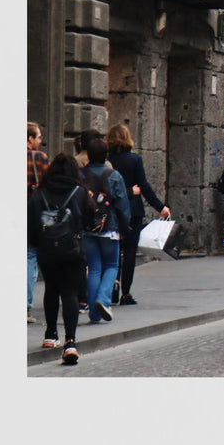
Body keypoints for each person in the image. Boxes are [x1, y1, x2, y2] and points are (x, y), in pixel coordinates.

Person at [28, 153, 90, 365]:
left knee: (51, 290)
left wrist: (38, 243)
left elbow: (31, 223)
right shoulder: (79, 192)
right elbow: (90, 219)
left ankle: (50, 334)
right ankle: (70, 342)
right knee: (70, 293)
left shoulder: (39, 193)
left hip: (47, 250)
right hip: (72, 250)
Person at [106, 124, 168, 304]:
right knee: (130, 252)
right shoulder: (135, 160)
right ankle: (126, 292)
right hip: (133, 210)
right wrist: (160, 207)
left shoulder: (108, 160)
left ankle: (113, 284)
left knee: (114, 250)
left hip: (113, 210)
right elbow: (144, 187)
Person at [80, 136, 131, 324]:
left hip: (87, 227)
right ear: (105, 155)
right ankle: (103, 299)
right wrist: (125, 227)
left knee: (93, 268)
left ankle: (94, 312)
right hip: (109, 226)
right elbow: (123, 205)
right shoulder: (114, 175)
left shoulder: (80, 174)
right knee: (111, 266)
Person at [27, 122, 49, 323]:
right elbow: (48, 185)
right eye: (39, 137)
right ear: (30, 139)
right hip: (31, 214)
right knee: (30, 256)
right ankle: (24, 306)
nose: (41, 141)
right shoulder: (39, 158)